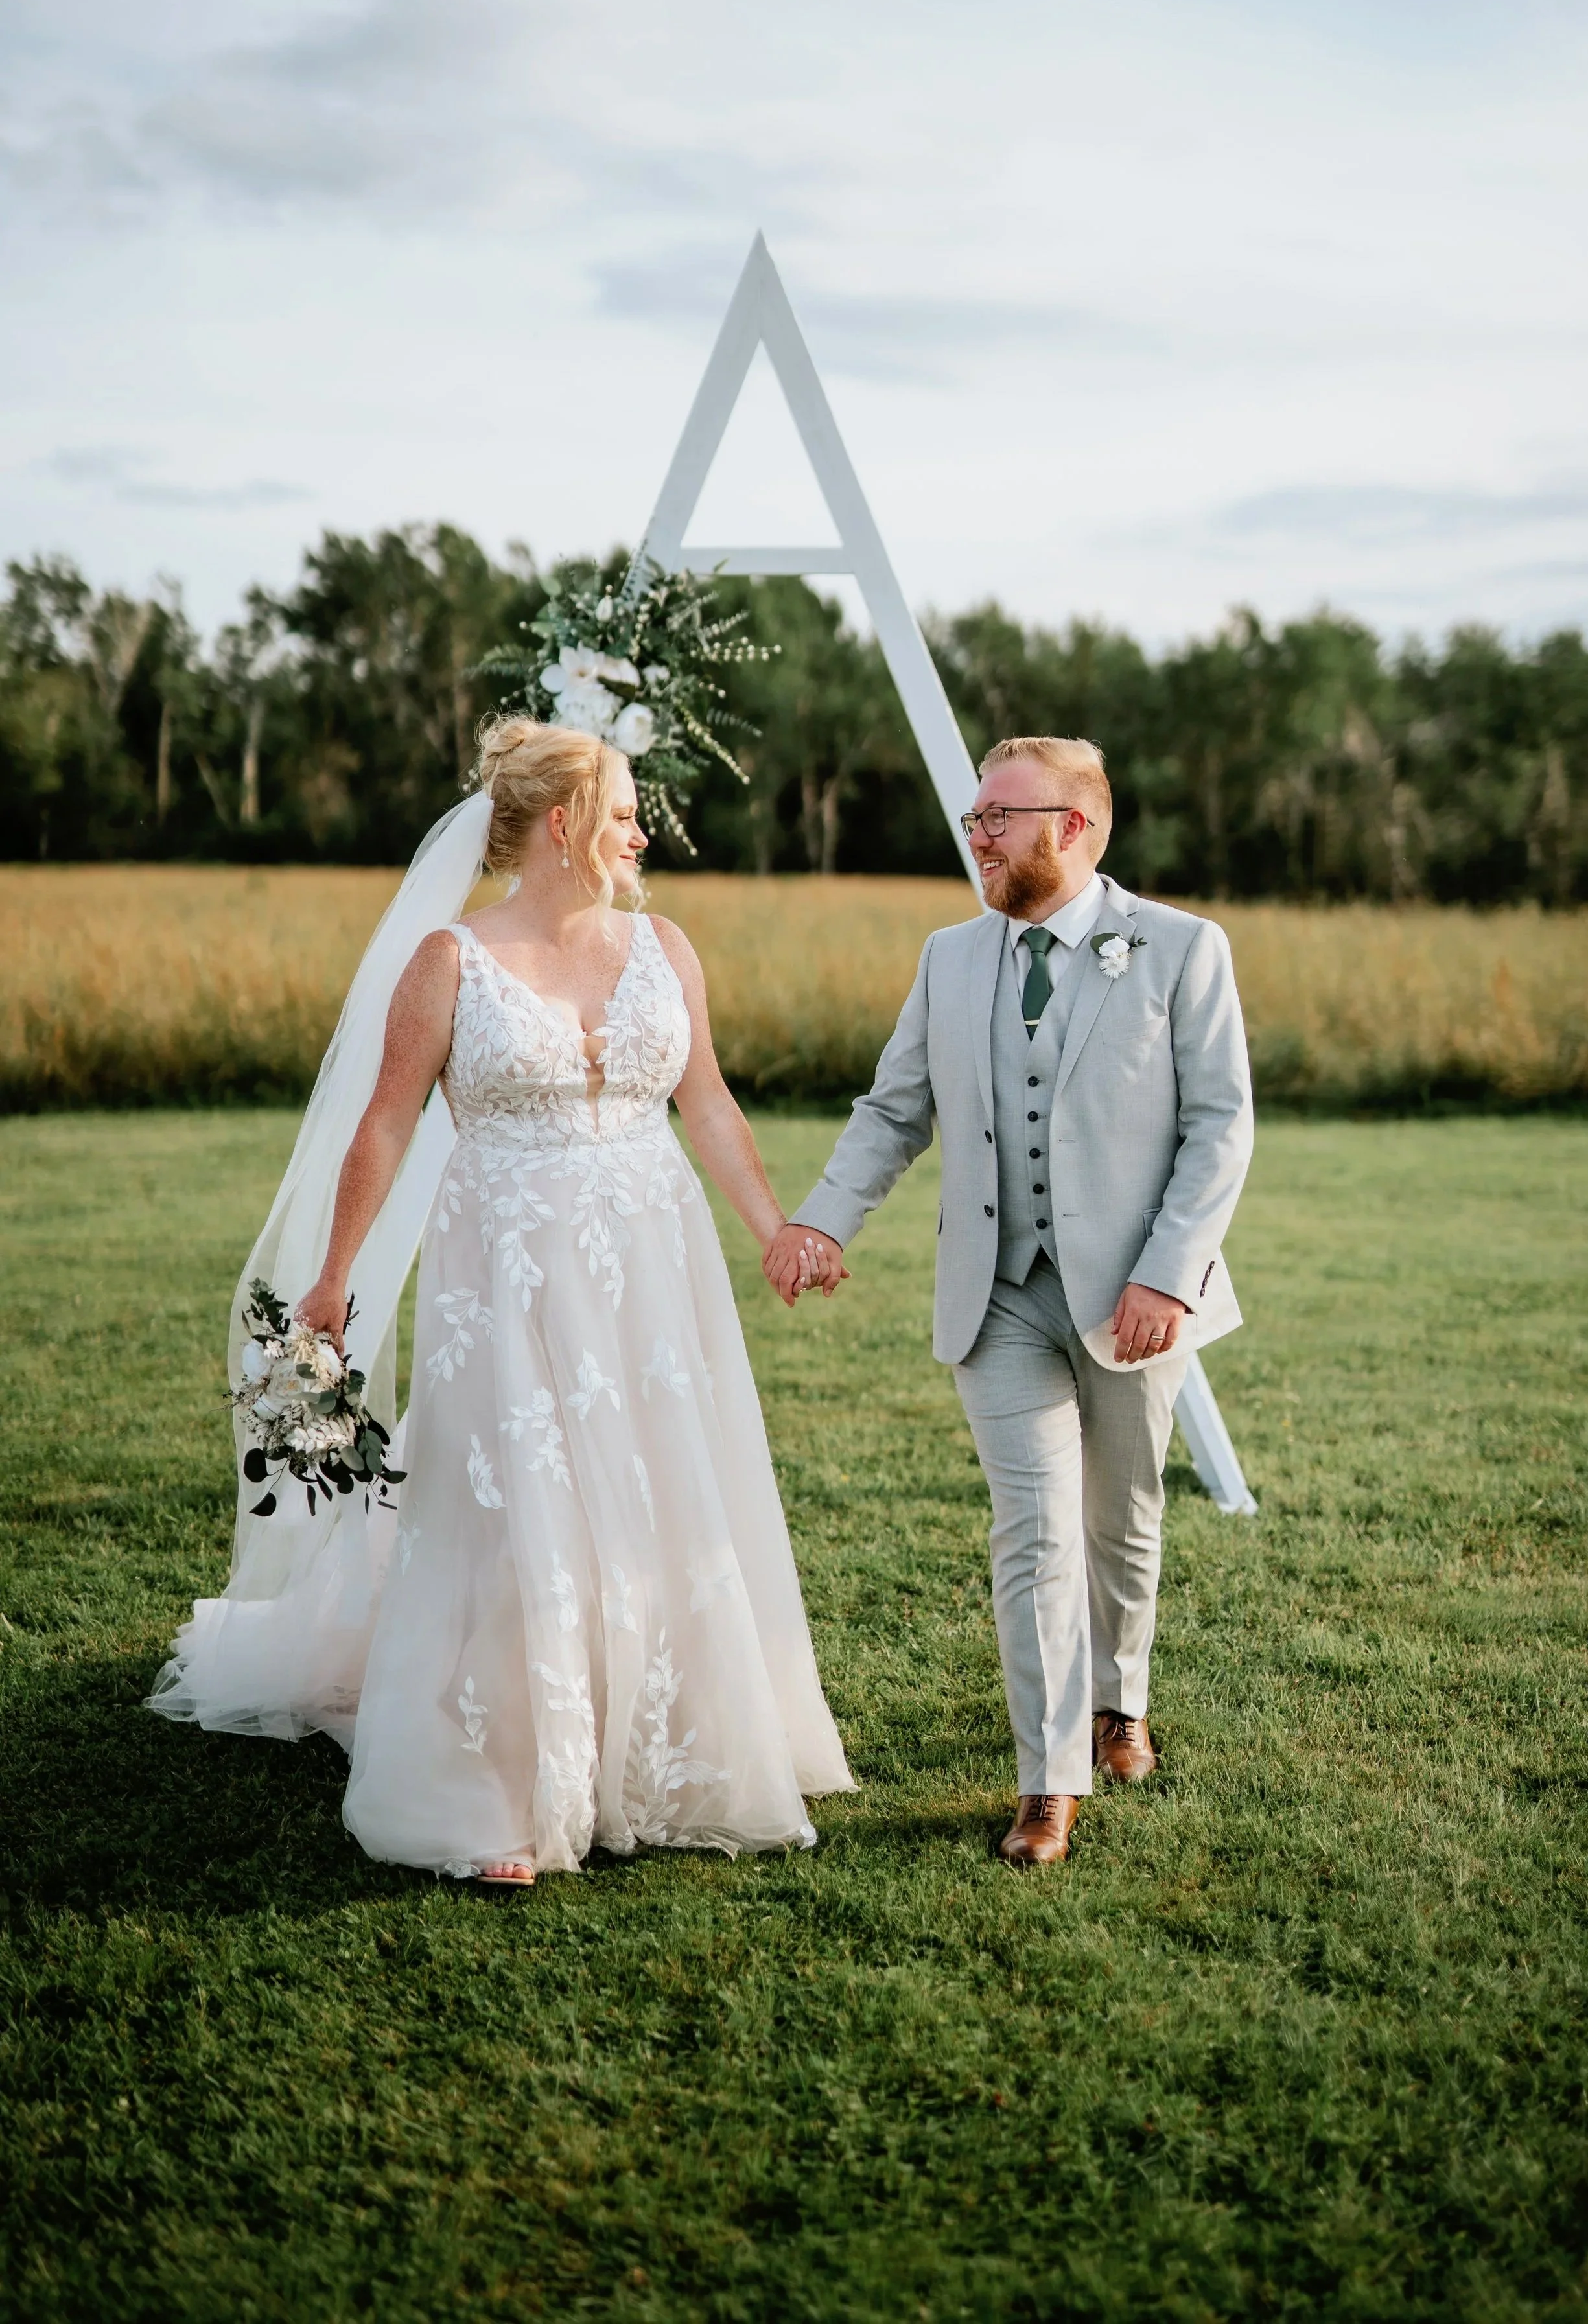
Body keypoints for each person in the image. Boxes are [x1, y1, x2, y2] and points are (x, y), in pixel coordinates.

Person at [151, 719, 852, 1879]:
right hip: (509, 1273)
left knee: (657, 1481)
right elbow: (383, 1123)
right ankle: (502, 1783)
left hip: (651, 1268)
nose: (642, 829)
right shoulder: (449, 961)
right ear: (567, 825)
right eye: (625, 809)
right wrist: (334, 1277)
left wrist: (777, 1230)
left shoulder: (665, 946)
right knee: (513, 1497)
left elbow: (710, 1104)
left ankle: (669, 1743)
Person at [766, 736, 1252, 1866]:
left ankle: (1120, 1702)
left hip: (1137, 1299)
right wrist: (824, 1217)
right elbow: (895, 1110)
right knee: (1033, 1531)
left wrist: (1166, 1274)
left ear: (1071, 827)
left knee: (1121, 1517)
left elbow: (1220, 1122)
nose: (976, 837)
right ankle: (1050, 1779)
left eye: (998, 818)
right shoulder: (950, 957)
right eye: (974, 819)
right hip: (998, 1297)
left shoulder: (1182, 949)